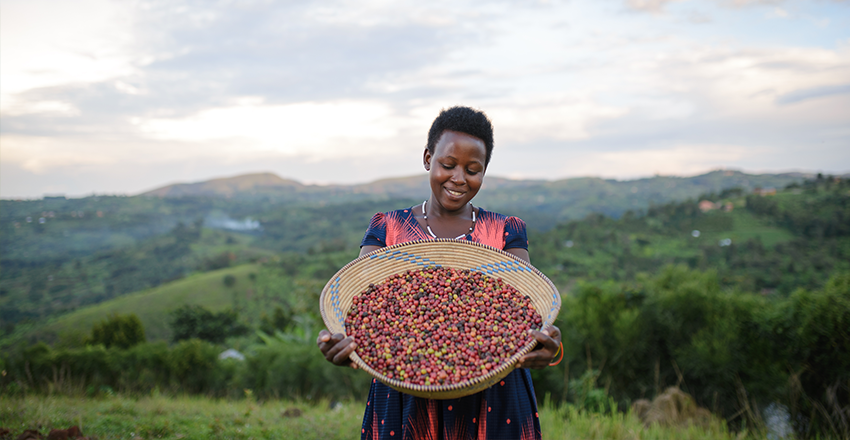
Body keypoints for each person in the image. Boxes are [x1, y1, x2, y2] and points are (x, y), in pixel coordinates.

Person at [317, 106, 562, 440]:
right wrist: (342, 342)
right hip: (406, 399)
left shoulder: (506, 229)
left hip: (494, 396)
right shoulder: (387, 227)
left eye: (473, 170)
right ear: (427, 158)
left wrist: (545, 346)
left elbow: (524, 305)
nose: (459, 178)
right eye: (448, 165)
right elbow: (360, 299)